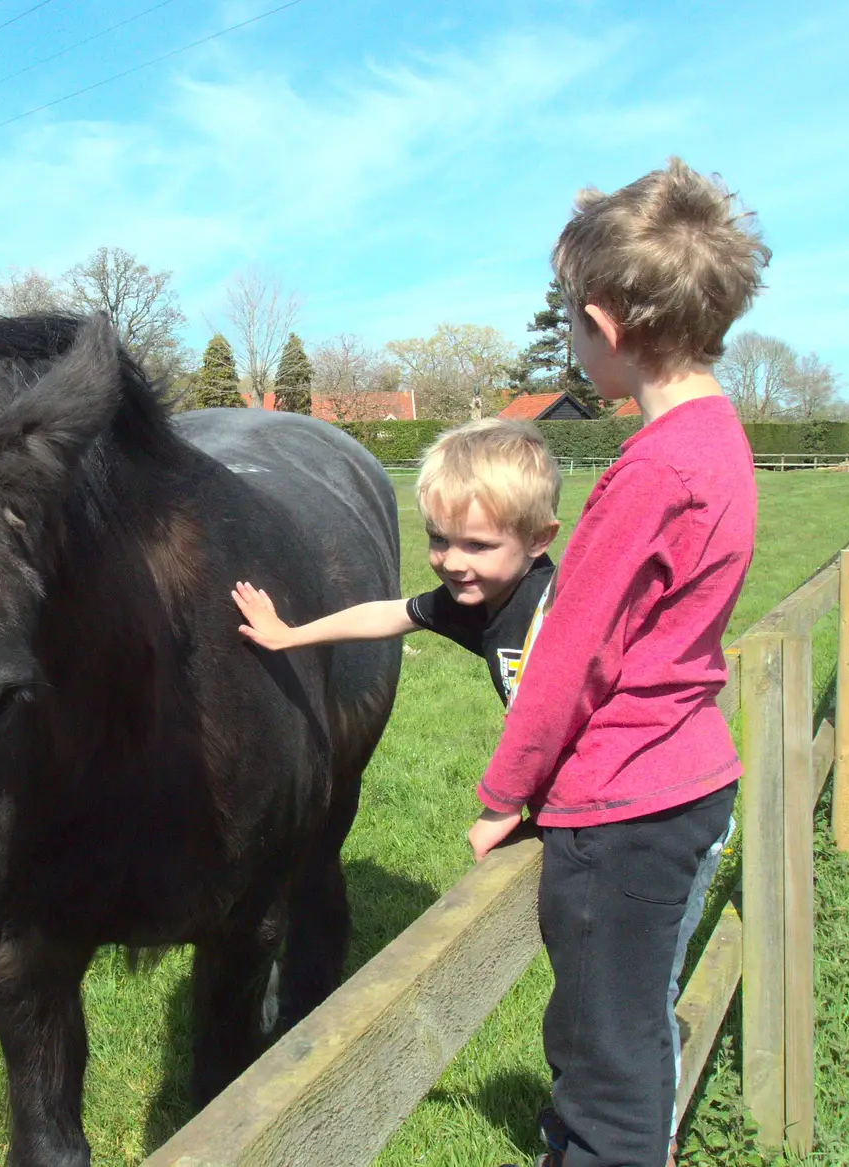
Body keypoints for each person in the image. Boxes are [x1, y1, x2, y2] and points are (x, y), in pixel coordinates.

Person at [468, 159, 769, 1167]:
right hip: (690, 777)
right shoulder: (720, 437)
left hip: (622, 810)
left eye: (567, 320)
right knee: (632, 1030)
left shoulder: (648, 472)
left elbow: (566, 661)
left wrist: (503, 792)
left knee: (601, 1067)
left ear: (602, 325)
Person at [232, 417, 561, 711]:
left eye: (478, 545)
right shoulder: (472, 601)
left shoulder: (558, 608)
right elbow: (388, 615)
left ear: (537, 539)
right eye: (439, 539)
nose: (453, 563)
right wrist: (289, 636)